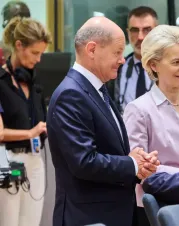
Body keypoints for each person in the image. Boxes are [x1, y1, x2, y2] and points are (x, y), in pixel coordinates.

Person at [46, 17, 160, 226]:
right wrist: (132, 164)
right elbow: (84, 162)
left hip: (112, 213)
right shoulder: (71, 94)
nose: (122, 59)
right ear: (92, 50)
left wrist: (136, 164)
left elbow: (108, 150)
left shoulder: (96, 89)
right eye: (117, 52)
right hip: (88, 217)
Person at [123, 24, 179, 226]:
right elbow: (140, 168)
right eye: (176, 62)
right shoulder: (138, 109)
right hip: (154, 209)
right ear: (154, 65)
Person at [0, 17, 51, 226]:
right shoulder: (1, 83)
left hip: (35, 159)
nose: (38, 59)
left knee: (32, 222)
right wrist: (31, 132)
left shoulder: (34, 83)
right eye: (35, 53)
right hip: (7, 159)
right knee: (9, 221)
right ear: (19, 46)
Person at [107, 6, 158, 113]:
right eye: (134, 30)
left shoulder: (171, 68)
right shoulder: (117, 69)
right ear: (128, 33)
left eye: (147, 30)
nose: (140, 37)